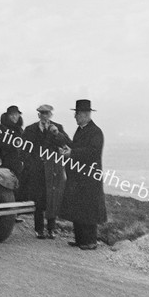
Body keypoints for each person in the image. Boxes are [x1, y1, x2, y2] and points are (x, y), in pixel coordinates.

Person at [60, 99, 107, 250]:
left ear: (86, 115)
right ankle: (80, 240)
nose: (75, 117)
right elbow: (79, 148)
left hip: (89, 178)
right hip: (80, 177)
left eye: (77, 114)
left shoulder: (95, 132)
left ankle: (90, 241)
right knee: (79, 208)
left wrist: (72, 152)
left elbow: (92, 152)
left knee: (88, 210)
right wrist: (68, 149)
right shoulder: (82, 130)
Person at [21, 104, 71, 239]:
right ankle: (39, 229)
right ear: (39, 115)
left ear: (51, 115)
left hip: (53, 169)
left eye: (47, 113)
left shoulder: (57, 128)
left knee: (52, 198)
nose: (44, 116)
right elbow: (23, 149)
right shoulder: (30, 129)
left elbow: (67, 143)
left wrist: (56, 133)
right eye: (42, 113)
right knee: (39, 199)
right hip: (37, 170)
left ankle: (51, 229)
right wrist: (30, 163)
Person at [0, 105, 24, 178]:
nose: (14, 117)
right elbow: (0, 145)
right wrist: (15, 145)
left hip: (20, 161)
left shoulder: (20, 129)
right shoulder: (3, 128)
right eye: (12, 115)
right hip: (8, 161)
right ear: (7, 116)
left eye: (16, 114)